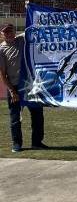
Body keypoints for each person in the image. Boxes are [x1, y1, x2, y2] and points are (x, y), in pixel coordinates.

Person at [0, 22, 47, 153]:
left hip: (31, 86)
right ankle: (17, 143)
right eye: (5, 32)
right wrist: (12, 90)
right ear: (2, 34)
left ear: (15, 31)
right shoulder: (1, 49)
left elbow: (34, 28)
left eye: (10, 31)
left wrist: (30, 8)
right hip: (14, 87)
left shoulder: (22, 39)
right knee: (15, 117)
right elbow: (2, 74)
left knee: (37, 115)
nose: (9, 34)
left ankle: (37, 142)